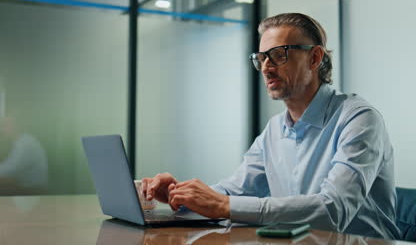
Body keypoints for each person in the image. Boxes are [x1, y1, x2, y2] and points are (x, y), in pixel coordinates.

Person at [142, 13, 401, 240]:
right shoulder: (275, 129)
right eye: (262, 58)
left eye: (278, 55)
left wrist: (224, 204)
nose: (266, 68)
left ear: (314, 58)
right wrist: (181, 197)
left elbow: (332, 211)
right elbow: (233, 190)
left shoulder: (359, 119)